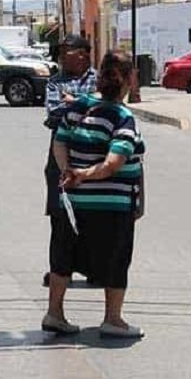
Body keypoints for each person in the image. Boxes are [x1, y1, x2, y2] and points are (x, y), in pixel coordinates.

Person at [46, 50, 145, 338]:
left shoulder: (77, 107)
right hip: (112, 205)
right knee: (116, 259)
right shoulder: (122, 117)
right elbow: (114, 163)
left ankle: (55, 313)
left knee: (63, 257)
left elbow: (60, 142)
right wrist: (85, 174)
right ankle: (113, 319)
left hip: (73, 203)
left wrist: (68, 172)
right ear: (128, 79)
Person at [42, 35, 97, 289]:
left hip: (93, 156)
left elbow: (105, 108)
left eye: (68, 51)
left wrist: (75, 102)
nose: (62, 56)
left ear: (84, 54)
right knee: (60, 214)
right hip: (60, 155)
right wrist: (86, 106)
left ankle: (95, 267)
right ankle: (60, 268)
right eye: (60, 51)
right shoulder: (55, 82)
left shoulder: (98, 80)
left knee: (93, 215)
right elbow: (54, 113)